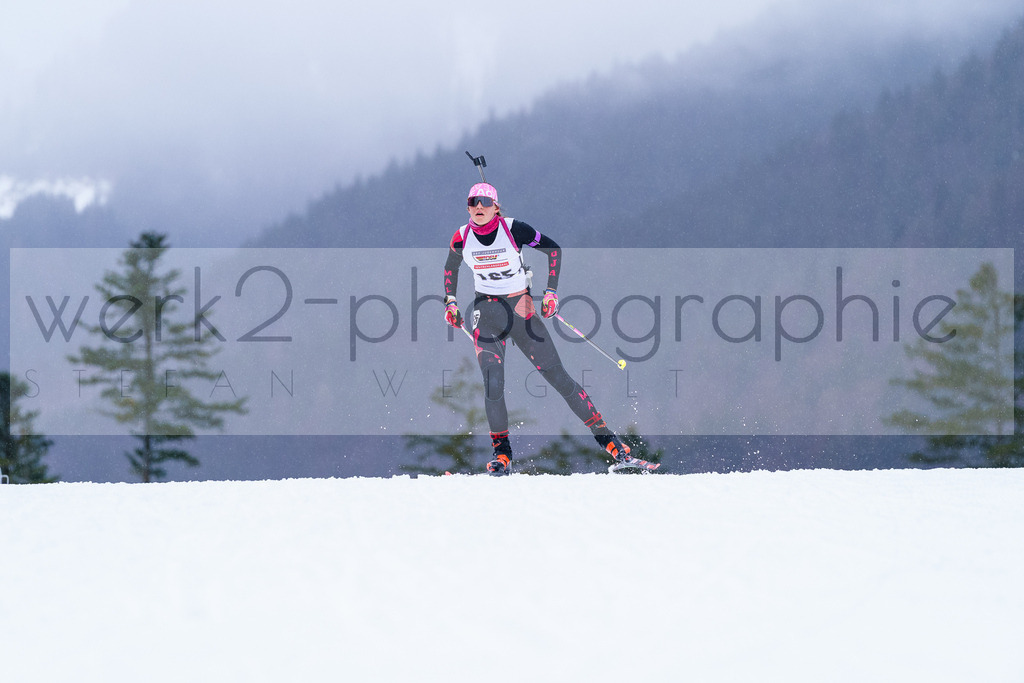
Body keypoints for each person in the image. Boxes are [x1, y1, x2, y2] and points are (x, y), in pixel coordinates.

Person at [443, 182, 639, 475]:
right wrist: (450, 302)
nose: (479, 207)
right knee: (493, 382)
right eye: (473, 202)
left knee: (559, 379)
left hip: (521, 311)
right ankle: (503, 457)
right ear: (468, 206)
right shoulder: (461, 237)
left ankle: (613, 445)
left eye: (485, 201)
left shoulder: (514, 229)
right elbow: (450, 268)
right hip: (486, 313)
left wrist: (551, 293)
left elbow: (554, 250)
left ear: (496, 206)